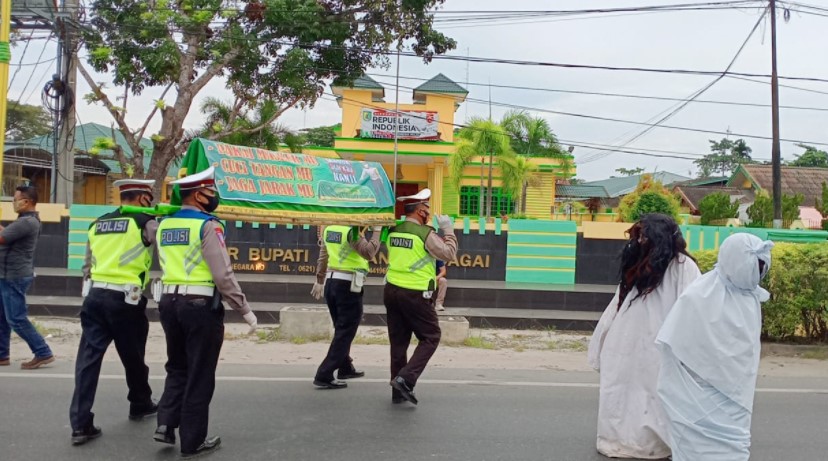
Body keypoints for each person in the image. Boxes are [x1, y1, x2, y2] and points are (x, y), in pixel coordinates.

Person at [153, 166, 257, 459]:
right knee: (200, 372)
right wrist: (244, 309)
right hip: (199, 306)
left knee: (177, 366)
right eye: (211, 193)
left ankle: (165, 423)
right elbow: (222, 274)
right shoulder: (208, 225)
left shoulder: (165, 224)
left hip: (169, 303)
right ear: (199, 195)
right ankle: (193, 441)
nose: (214, 198)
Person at [586, 213, 700, 459]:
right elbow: (615, 306)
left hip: (659, 345)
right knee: (620, 390)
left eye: (646, 236)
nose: (640, 241)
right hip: (624, 343)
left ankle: (653, 446)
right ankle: (617, 441)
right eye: (639, 236)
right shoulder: (638, 266)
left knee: (652, 395)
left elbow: (692, 311)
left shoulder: (683, 267)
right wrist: (601, 345)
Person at [656, 233, 773, 461]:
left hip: (735, 400)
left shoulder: (750, 299)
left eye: (762, 268)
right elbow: (678, 345)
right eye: (755, 266)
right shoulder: (699, 295)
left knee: (733, 450)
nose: (758, 274)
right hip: (696, 395)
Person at [69, 179, 159, 445]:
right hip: (125, 300)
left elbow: (87, 265)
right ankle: (140, 402)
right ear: (143, 198)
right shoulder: (146, 222)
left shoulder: (97, 224)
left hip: (95, 296)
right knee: (133, 356)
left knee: (87, 361)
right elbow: (166, 252)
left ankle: (80, 424)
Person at [384, 188, 457, 405]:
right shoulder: (425, 234)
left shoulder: (393, 230)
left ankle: (398, 392)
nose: (428, 212)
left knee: (398, 343)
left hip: (391, 291)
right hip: (415, 294)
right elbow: (449, 254)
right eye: (426, 208)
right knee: (431, 336)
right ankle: (406, 380)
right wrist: (449, 230)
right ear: (419, 211)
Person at [310, 224, 381, 389]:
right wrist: (377, 231)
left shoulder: (329, 229)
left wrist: (320, 279)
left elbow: (323, 256)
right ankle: (324, 373)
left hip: (331, 282)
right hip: (347, 285)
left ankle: (345, 367)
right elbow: (369, 253)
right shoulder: (351, 231)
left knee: (341, 328)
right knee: (346, 331)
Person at [0, 185, 53, 370]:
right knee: (2, 317)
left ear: (27, 201)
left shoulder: (27, 222)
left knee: (16, 318)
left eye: (15, 199)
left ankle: (42, 352)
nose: (13, 202)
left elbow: (2, 238)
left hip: (14, 275)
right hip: (8, 274)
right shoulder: (23, 221)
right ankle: (2, 355)